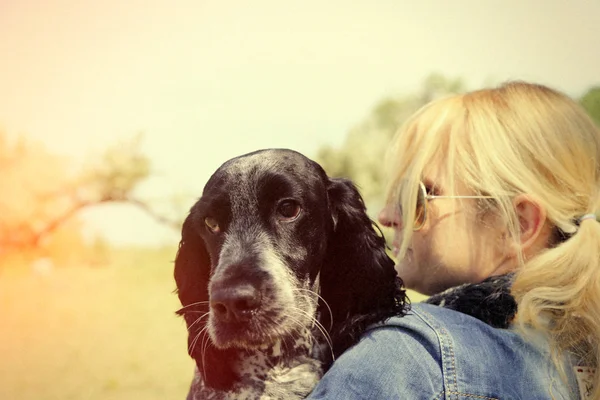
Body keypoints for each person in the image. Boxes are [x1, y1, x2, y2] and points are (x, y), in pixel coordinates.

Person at [306, 81, 599, 399]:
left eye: (415, 196)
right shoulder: (583, 354)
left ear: (518, 224)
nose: (387, 215)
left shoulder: (410, 355)